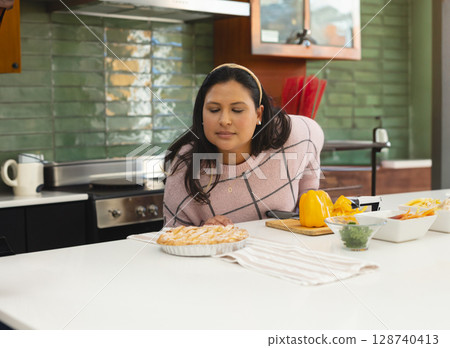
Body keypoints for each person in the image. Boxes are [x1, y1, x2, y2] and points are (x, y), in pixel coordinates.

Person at [163, 63, 324, 227]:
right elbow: (172, 238)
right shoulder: (185, 168)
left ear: (258, 114)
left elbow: (314, 133)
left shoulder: (292, 134)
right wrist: (203, 233)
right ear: (201, 114)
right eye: (213, 110)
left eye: (237, 110)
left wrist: (308, 196)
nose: (224, 120)